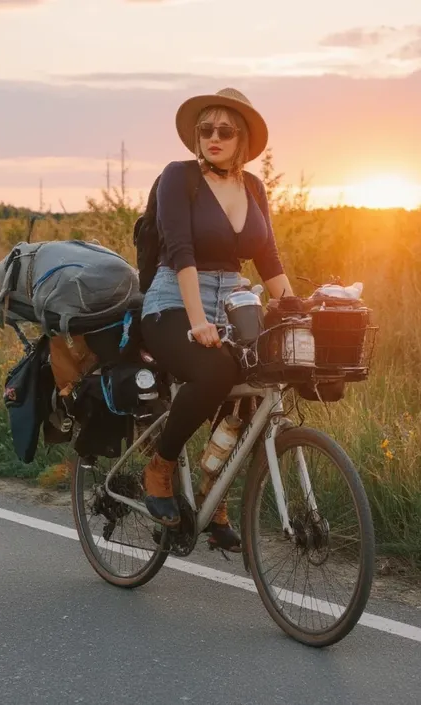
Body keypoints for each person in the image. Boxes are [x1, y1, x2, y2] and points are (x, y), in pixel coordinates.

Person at [140, 87, 295, 551]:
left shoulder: (253, 187)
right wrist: (197, 321)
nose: (212, 137)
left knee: (256, 380)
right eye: (204, 129)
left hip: (233, 300)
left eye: (224, 130)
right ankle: (160, 468)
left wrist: (297, 309)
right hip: (171, 299)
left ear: (241, 137)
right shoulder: (178, 177)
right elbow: (181, 251)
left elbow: (267, 258)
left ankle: (213, 492)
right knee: (215, 369)